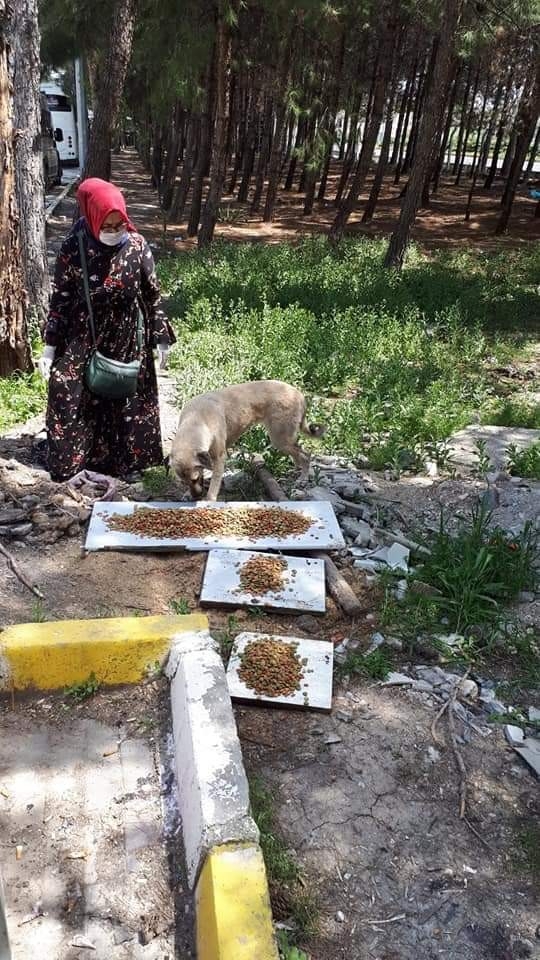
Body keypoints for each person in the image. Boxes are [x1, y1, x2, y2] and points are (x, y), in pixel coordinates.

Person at [38, 177, 175, 482]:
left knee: (125, 393)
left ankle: (128, 462)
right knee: (68, 389)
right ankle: (76, 461)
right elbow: (60, 299)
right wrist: (50, 347)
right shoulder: (74, 247)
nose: (115, 232)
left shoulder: (137, 245)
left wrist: (161, 339)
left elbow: (152, 294)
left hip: (127, 335)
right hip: (83, 332)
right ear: (92, 217)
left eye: (120, 224)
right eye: (107, 226)